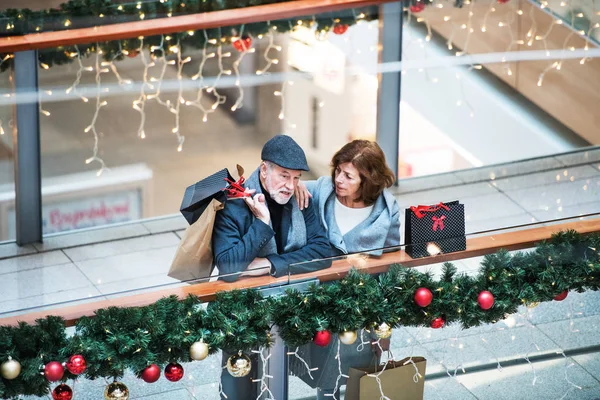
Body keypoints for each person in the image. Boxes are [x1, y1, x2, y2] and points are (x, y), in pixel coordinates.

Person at [211, 134, 334, 400]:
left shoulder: (301, 199)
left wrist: (269, 264)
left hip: (290, 309)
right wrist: (262, 224)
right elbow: (230, 267)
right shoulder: (233, 203)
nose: (290, 185)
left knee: (280, 380)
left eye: (296, 178)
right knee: (239, 384)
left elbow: (322, 252)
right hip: (244, 313)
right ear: (264, 169)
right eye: (284, 175)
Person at [293, 139, 401, 400]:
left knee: (361, 378)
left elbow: (391, 272)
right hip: (321, 303)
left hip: (363, 308)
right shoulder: (323, 190)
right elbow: (282, 186)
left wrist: (384, 331)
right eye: (338, 171)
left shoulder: (387, 212)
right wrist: (294, 185)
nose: (339, 179)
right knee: (326, 378)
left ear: (368, 181)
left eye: (348, 176)